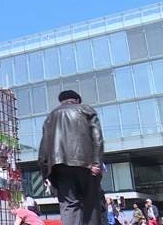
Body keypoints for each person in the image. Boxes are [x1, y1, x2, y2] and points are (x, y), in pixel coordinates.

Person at [38, 90, 104, 225]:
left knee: (68, 205)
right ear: (78, 100)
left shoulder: (50, 117)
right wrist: (97, 163)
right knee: (90, 204)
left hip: (59, 167)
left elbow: (43, 150)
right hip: (86, 165)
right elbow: (97, 139)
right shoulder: (86, 110)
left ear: (61, 101)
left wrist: (45, 174)